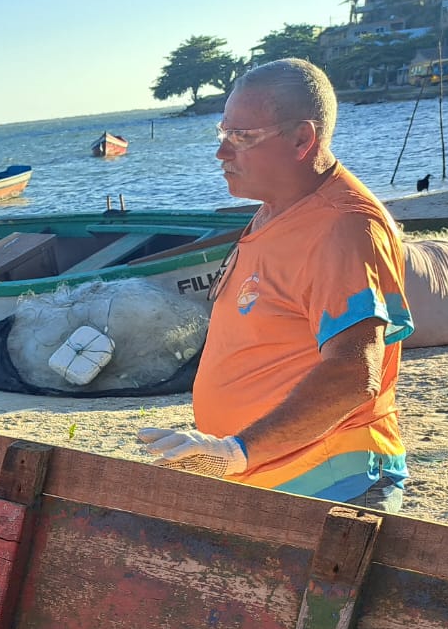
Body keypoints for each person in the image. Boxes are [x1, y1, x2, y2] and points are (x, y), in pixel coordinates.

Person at [138, 58, 411, 512]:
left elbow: (352, 375)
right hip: (269, 477)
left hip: (328, 483)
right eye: (222, 134)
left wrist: (237, 451)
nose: (222, 153)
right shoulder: (278, 209)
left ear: (303, 138)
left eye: (241, 138)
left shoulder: (342, 226)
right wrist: (226, 454)